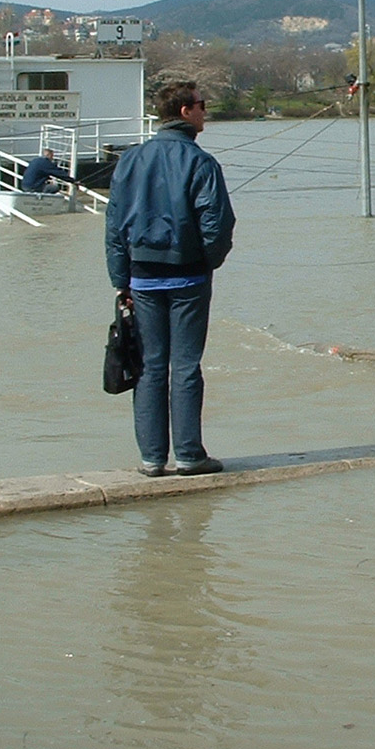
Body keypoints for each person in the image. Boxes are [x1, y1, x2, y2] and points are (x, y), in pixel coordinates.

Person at [105, 82, 235, 476]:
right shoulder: (201, 163)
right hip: (188, 276)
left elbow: (114, 223)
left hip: (141, 277)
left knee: (149, 366)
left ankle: (152, 458)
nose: (204, 111)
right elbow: (217, 223)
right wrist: (207, 261)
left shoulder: (130, 160)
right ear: (183, 111)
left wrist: (120, 278)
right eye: (200, 105)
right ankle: (190, 455)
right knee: (186, 365)